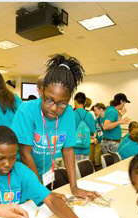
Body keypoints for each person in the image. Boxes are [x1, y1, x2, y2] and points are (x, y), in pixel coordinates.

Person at [11, 54, 99, 199]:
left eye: (61, 103)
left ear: (69, 99)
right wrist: (43, 193)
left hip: (41, 178)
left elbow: (68, 149)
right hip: (18, 177)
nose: (53, 108)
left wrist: (74, 187)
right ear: (42, 91)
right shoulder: (26, 110)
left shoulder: (69, 113)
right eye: (48, 100)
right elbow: (26, 154)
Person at [74, 92, 96, 162]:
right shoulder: (89, 115)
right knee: (84, 169)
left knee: (74, 170)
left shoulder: (71, 114)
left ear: (75, 101)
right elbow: (93, 132)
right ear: (85, 103)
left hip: (73, 149)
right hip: (85, 148)